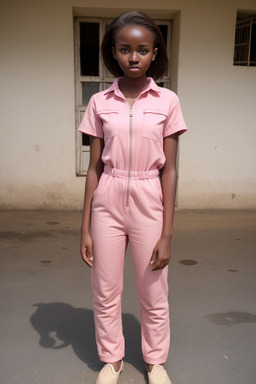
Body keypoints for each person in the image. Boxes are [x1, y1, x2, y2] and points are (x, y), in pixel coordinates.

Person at [79, 11, 187, 384]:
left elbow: (169, 169)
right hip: (107, 200)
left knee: (153, 290)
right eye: (125, 49)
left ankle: (155, 361)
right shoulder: (99, 102)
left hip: (148, 198)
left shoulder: (167, 100)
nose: (134, 57)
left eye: (142, 49)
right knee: (105, 289)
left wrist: (168, 233)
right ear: (114, 52)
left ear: (155, 53)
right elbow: (93, 168)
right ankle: (112, 360)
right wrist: (85, 229)